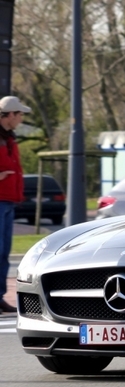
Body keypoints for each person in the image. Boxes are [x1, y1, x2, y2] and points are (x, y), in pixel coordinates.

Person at [0, 96, 31, 314]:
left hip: (8, 200)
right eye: (19, 114)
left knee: (3, 253)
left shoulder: (10, 138)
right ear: (9, 115)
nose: (21, 118)